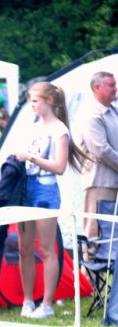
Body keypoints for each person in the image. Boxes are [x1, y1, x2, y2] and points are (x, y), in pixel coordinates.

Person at [13, 82, 88, 320]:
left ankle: (46, 303)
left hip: (46, 190)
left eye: (36, 100)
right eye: (31, 101)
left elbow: (60, 167)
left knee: (46, 248)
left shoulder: (59, 130)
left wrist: (32, 157)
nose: (32, 105)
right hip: (26, 189)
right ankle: (27, 300)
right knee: (24, 248)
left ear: (49, 101)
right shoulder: (32, 128)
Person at [80, 71, 118, 243]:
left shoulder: (114, 111)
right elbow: (101, 150)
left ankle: (107, 269)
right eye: (111, 85)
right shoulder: (91, 114)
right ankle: (88, 270)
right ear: (97, 87)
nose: (115, 89)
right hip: (100, 182)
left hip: (113, 180)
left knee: (111, 236)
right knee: (95, 232)